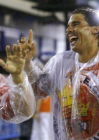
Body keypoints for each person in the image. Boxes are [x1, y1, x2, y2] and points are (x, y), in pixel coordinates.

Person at [16, 7, 99, 140]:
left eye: (76, 24)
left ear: (95, 29)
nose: (69, 30)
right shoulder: (61, 63)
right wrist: (26, 64)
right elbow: (38, 89)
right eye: (68, 26)